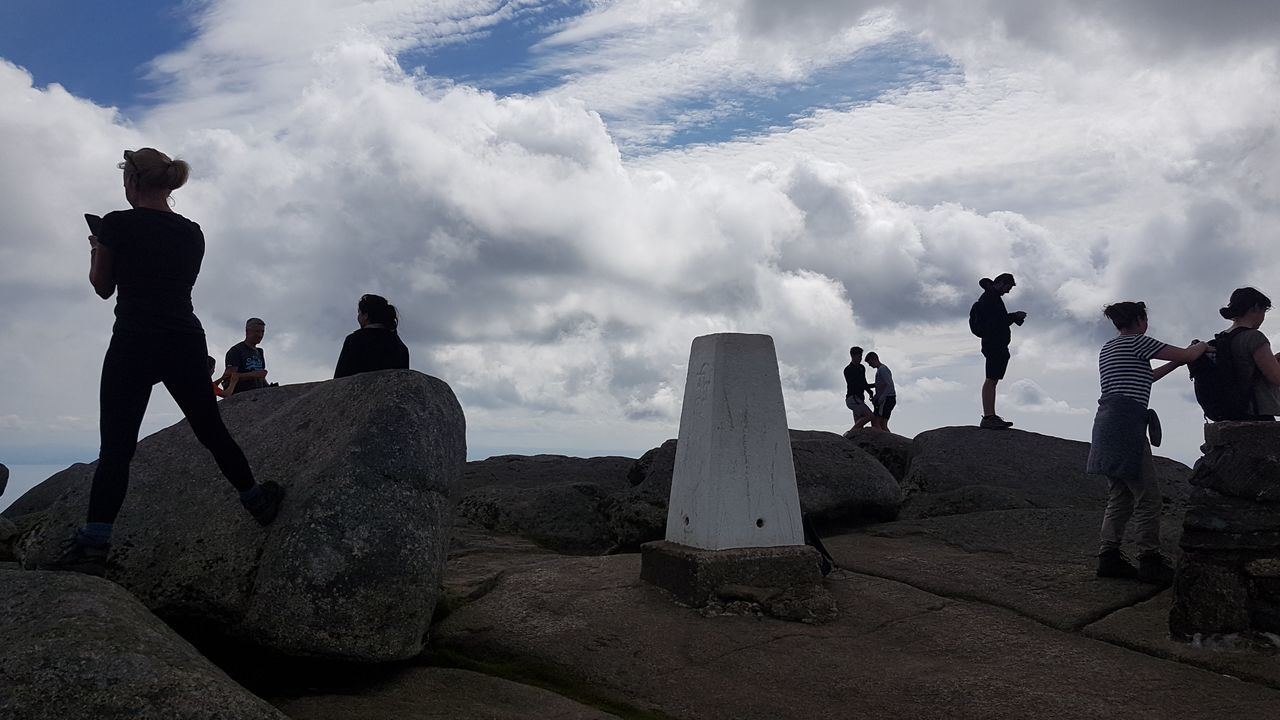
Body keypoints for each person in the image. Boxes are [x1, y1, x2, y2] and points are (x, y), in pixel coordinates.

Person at [46, 148, 284, 576]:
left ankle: (93, 545)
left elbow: (103, 287)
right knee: (211, 430)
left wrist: (98, 247)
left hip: (134, 341)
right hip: (184, 340)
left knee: (117, 449)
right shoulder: (193, 232)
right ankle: (256, 500)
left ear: (133, 182)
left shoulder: (116, 224)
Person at [1086, 301, 1207, 587]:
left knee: (1119, 495)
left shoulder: (1109, 348)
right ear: (1140, 320)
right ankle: (1149, 559)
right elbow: (1191, 354)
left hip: (1106, 423)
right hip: (1128, 424)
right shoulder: (1139, 342)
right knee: (1148, 497)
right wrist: (1201, 346)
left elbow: (1147, 376)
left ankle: (1109, 557)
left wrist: (1177, 362)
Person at [971, 273, 1027, 429]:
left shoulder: (991, 297)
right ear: (1001, 283)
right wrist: (1014, 316)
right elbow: (995, 322)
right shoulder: (990, 298)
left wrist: (1013, 318)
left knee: (993, 379)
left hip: (995, 344)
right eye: (1008, 287)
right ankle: (989, 416)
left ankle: (991, 415)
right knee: (991, 379)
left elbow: (996, 321)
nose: (1008, 291)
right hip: (994, 344)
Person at [1218, 287, 1280, 419]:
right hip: (1257, 410)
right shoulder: (1254, 337)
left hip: (1233, 410)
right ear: (1256, 307)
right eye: (1264, 311)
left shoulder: (1223, 337)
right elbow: (1276, 377)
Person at [334, 294, 410, 378]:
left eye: (359, 312)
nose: (358, 316)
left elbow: (339, 379)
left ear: (366, 316)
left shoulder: (354, 340)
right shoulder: (400, 346)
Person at [224, 318, 269, 395]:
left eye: (262, 332)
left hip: (259, 395)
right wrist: (252, 375)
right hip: (241, 396)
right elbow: (228, 378)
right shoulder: (236, 350)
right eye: (257, 331)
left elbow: (261, 376)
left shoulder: (260, 351)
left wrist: (269, 387)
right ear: (247, 331)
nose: (260, 335)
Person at [842, 346, 875, 436]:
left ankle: (853, 439)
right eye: (858, 356)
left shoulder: (861, 368)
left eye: (861, 356)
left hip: (859, 399)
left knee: (859, 427)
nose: (860, 358)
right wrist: (873, 385)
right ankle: (848, 435)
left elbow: (863, 382)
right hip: (853, 398)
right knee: (870, 416)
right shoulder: (848, 370)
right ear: (852, 356)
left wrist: (870, 391)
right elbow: (857, 384)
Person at [865, 352, 896, 432]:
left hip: (887, 398)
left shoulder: (882, 369)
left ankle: (889, 441)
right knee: (878, 421)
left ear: (874, 359)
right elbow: (881, 385)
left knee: (881, 422)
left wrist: (881, 398)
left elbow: (889, 385)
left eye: (870, 362)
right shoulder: (881, 370)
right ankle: (887, 440)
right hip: (886, 398)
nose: (869, 365)